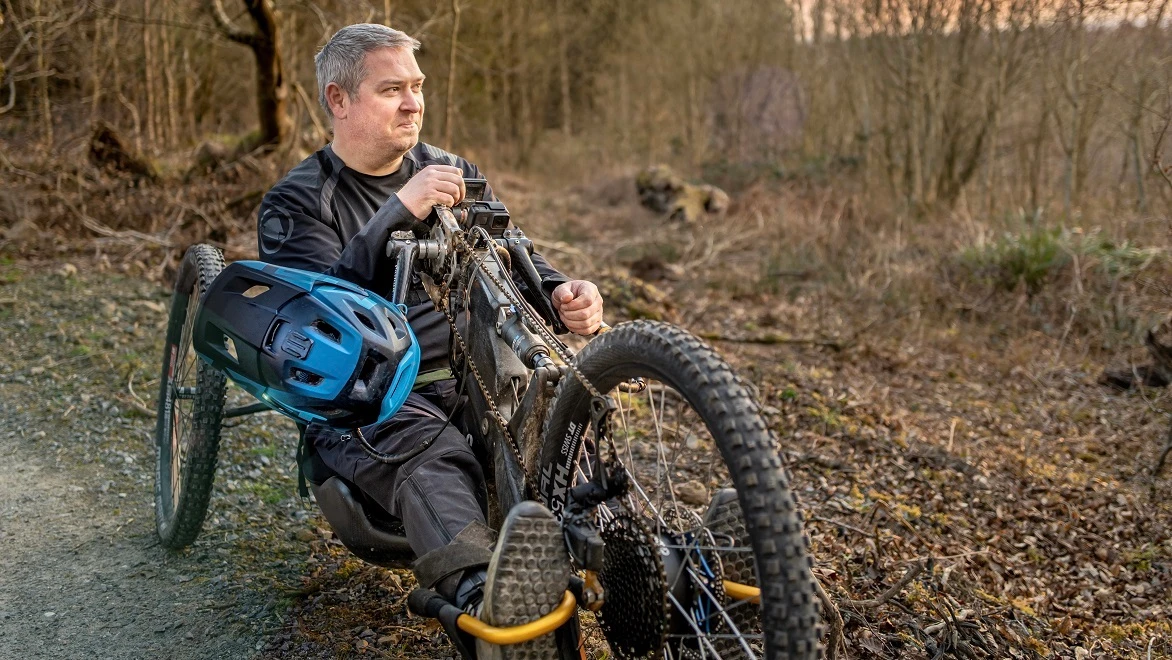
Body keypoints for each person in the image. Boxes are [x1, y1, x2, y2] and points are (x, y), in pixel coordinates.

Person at [256, 23, 604, 658]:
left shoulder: (453, 170)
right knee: (434, 454)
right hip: (372, 399)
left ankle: (663, 569)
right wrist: (397, 212)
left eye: (416, 87)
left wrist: (562, 295)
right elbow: (310, 325)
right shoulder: (299, 202)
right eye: (392, 89)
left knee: (560, 427)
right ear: (339, 99)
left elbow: (513, 255)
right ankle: (486, 603)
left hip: (477, 377)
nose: (414, 103)